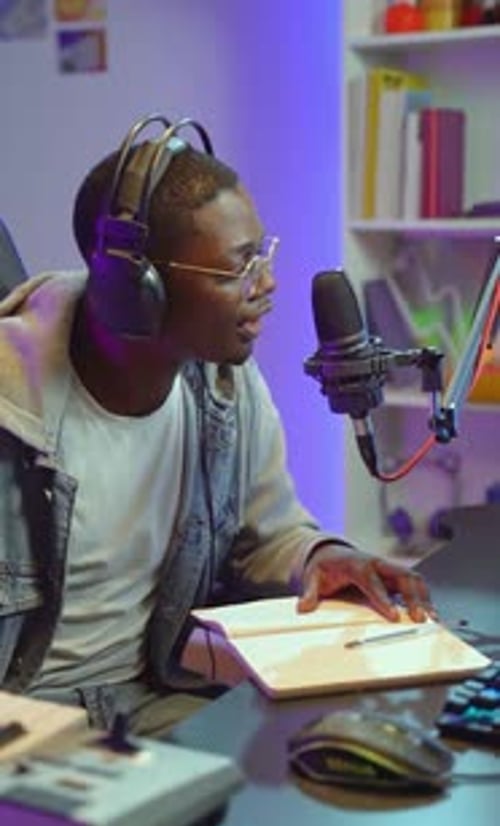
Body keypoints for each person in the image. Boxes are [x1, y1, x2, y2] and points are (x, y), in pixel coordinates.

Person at [0, 114, 434, 736]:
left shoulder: (224, 387)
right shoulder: (13, 406)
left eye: (262, 254)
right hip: (26, 724)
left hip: (157, 698)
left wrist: (323, 555)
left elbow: (267, 532)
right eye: (237, 268)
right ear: (134, 289)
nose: (267, 284)